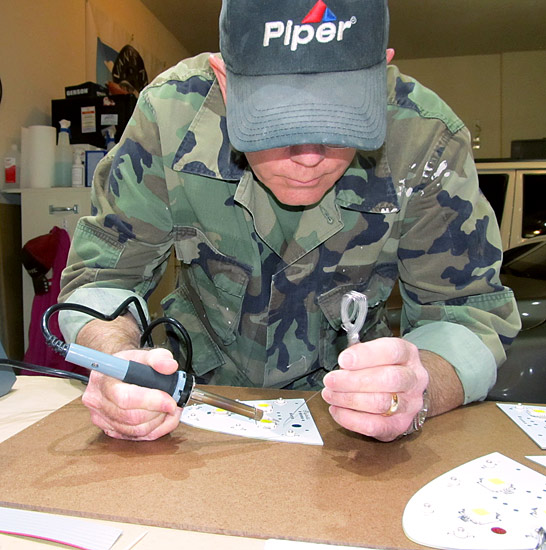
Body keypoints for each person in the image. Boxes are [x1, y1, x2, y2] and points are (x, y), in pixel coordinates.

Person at [58, 0, 520, 442]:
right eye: (275, 126)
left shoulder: (426, 139)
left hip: (359, 436)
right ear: (224, 81)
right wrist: (118, 360)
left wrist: (418, 389)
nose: (310, 158)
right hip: (192, 414)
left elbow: (468, 315)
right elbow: (102, 276)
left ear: (379, 76)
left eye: (342, 123)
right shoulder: (170, 115)